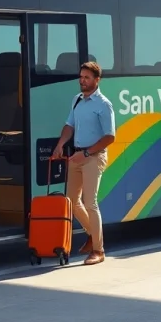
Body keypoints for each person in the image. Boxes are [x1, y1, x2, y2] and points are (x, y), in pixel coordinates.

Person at [51, 61, 115, 265]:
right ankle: (92, 234)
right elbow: (69, 125)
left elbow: (110, 137)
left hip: (94, 156)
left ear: (97, 80)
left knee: (90, 202)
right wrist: (60, 144)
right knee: (71, 200)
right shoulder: (77, 100)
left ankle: (98, 250)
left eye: (87, 77)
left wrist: (87, 153)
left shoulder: (104, 105)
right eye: (81, 77)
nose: (82, 80)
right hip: (77, 155)